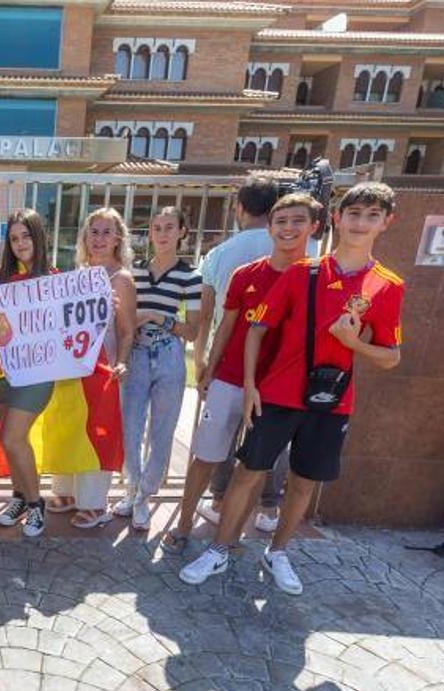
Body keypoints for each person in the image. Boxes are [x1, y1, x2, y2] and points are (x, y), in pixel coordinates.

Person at [179, 182, 404, 594]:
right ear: (338, 219)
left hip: (332, 399)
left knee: (303, 480)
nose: (360, 223)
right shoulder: (303, 272)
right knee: (250, 472)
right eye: (354, 213)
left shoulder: (387, 285)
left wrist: (354, 343)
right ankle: (220, 547)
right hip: (279, 391)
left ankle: (278, 551)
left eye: (372, 215)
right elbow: (257, 329)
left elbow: (391, 355)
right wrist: (250, 384)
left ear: (386, 223)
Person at [160, 193, 323, 557]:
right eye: (281, 222)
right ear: (269, 227)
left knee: (256, 465)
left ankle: (232, 535)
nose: (288, 229)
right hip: (231, 379)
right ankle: (183, 525)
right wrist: (208, 369)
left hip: (279, 388)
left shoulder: (318, 279)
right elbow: (225, 326)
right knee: (206, 455)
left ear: (314, 227)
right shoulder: (246, 275)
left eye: (298, 221)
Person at [197, 175, 311, 530]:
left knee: (224, 436)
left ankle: (218, 500)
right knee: (273, 441)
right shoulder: (307, 255)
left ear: (240, 208)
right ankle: (268, 510)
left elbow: (206, 315)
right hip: (283, 366)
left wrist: (204, 362)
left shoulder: (221, 254)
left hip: (232, 362)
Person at [113, 206, 202, 530]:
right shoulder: (132, 272)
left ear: (182, 232)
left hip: (168, 356)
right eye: (156, 227)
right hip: (135, 354)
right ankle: (131, 489)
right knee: (130, 428)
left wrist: (155, 317)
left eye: (169, 227)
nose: (162, 234)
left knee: (162, 433)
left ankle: (144, 498)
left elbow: (192, 331)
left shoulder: (191, 277)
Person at [47, 208, 136, 528]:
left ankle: (95, 504)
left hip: (103, 369)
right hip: (72, 368)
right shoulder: (77, 274)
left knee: (97, 436)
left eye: (106, 232)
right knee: (69, 429)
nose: (99, 238)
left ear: (117, 238)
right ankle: (66, 492)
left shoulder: (121, 279)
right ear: (85, 237)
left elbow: (127, 330)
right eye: (93, 231)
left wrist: (122, 362)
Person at [0, 209, 56, 537]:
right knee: (10, 440)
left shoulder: (54, 279)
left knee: (14, 437)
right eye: (14, 238)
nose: (20, 243)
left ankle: (36, 503)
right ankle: (19, 497)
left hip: (36, 372)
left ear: (38, 237)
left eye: (26, 236)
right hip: (0, 372)